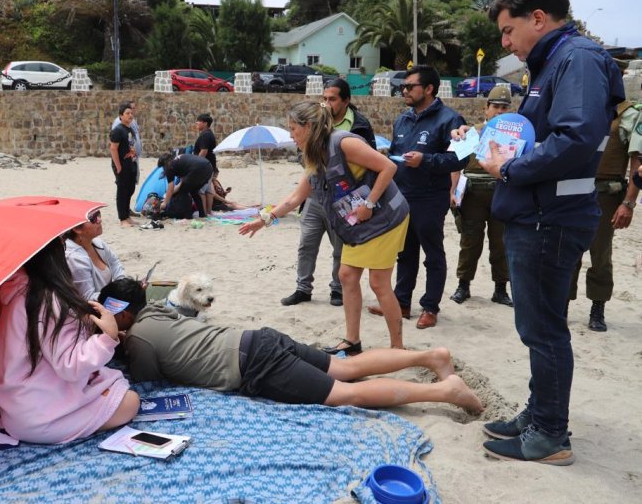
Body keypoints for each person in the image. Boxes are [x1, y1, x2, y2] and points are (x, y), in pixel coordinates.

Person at [475, 0, 624, 465]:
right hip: (541, 213)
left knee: (543, 330)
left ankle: (550, 435)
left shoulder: (576, 58)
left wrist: (510, 170)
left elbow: (575, 139)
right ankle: (539, 414)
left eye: (507, 29)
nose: (505, 41)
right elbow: (541, 133)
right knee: (537, 326)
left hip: (549, 218)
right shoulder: (555, 60)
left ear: (538, 18)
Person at [99, 278, 483, 413]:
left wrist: (114, 340)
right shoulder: (156, 313)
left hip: (252, 365)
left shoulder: (139, 342)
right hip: (256, 339)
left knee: (346, 394)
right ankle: (431, 356)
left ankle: (444, 390)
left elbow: (150, 385)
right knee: (345, 366)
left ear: (120, 316)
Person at [239, 100, 407, 353]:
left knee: (378, 283)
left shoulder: (343, 142)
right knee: (347, 275)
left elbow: (389, 166)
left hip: (386, 218)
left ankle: (397, 348)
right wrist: (264, 220)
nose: (290, 134)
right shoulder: (314, 154)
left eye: (293, 128)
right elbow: (296, 198)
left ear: (308, 126)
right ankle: (352, 342)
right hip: (358, 223)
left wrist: (370, 204)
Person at [0, 239, 140, 444]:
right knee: (130, 401)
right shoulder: (48, 302)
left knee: (109, 379)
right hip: (41, 419)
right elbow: (70, 366)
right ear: (56, 260)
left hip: (16, 406)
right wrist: (107, 337)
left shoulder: (19, 292)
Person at [366, 65, 468, 330]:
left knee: (433, 254)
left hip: (431, 198)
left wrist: (425, 160)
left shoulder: (450, 119)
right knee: (405, 252)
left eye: (410, 86)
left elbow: (461, 158)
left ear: (429, 88)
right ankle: (401, 302)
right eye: (403, 87)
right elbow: (395, 158)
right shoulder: (402, 119)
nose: (404, 91)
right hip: (401, 195)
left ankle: (430, 307)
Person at [280, 79, 377, 308]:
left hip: (343, 198)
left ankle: (337, 289)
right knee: (307, 244)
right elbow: (305, 161)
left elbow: (375, 167)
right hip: (315, 194)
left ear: (346, 101)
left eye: (332, 99)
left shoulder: (357, 127)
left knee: (339, 247)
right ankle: (303, 288)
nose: (326, 103)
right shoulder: (313, 124)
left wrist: (368, 202)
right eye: (324, 98)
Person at [567, 90, 641, 331]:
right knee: (568, 250)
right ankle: (562, 304)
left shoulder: (629, 116)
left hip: (606, 194)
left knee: (600, 253)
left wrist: (628, 203)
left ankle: (597, 307)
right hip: (573, 189)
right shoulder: (582, 107)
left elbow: (637, 164)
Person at [448, 84, 514, 307]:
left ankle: (501, 289)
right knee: (470, 242)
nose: (499, 111)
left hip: (502, 194)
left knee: (501, 243)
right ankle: (463, 285)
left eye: (504, 108)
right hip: (473, 194)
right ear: (486, 108)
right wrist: (453, 192)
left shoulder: (515, 138)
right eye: (495, 106)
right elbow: (456, 165)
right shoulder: (472, 133)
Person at [65, 208, 126, 301]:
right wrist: (119, 295)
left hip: (107, 300)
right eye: (93, 218)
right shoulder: (74, 258)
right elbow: (88, 297)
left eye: (98, 214)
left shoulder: (96, 242)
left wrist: (123, 285)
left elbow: (115, 263)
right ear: (77, 229)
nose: (99, 220)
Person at [109, 102, 139, 227]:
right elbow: (113, 149)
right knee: (122, 191)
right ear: (121, 116)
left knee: (130, 189)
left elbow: (131, 145)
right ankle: (122, 219)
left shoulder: (130, 128)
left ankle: (127, 216)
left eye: (131, 113)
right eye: (127, 113)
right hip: (122, 165)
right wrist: (118, 166)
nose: (130, 115)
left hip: (131, 163)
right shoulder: (117, 130)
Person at [157, 153, 212, 219]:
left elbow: (171, 187)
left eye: (163, 166)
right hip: (208, 167)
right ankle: (202, 215)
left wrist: (165, 202)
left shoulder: (170, 166)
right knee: (194, 192)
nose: (164, 169)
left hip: (197, 169)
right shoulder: (178, 160)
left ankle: (187, 217)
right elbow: (183, 183)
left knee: (183, 192)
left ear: (165, 163)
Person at [193, 113, 218, 215]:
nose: (196, 123)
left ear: (205, 123)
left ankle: (203, 213)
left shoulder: (205, 135)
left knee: (201, 191)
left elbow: (203, 151)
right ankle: (208, 212)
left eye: (198, 121)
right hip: (210, 166)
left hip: (204, 167)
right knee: (208, 190)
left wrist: (195, 164)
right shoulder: (208, 134)